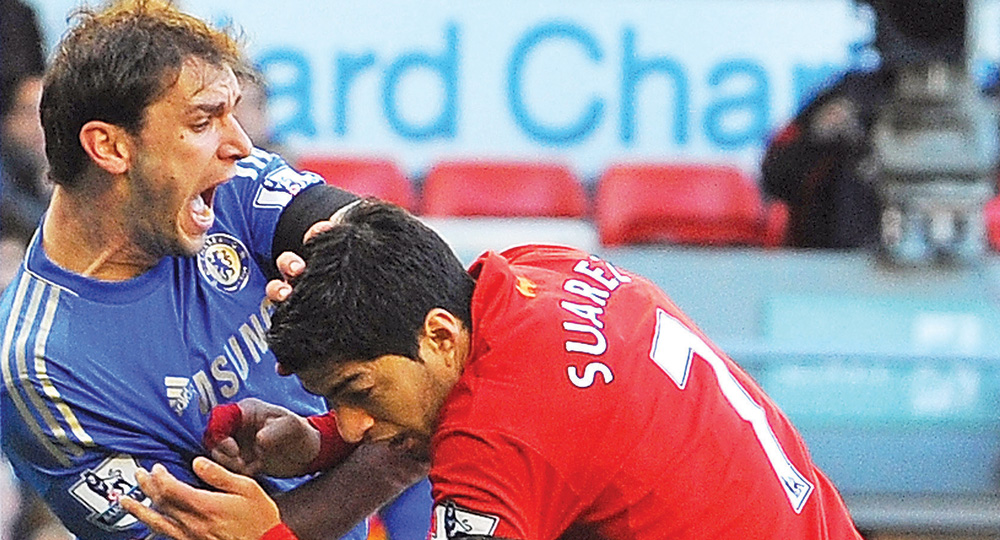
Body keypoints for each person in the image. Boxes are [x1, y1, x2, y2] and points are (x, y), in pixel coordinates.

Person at [122, 199, 863, 540]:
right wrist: (323, 441)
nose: (356, 421)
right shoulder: (534, 270)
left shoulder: (498, 444)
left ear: (439, 335)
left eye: (357, 391)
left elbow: (512, 433)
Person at [0, 2, 426, 540]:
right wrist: (394, 459)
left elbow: (381, 245)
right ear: (109, 146)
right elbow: (218, 536)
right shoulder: (41, 369)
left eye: (233, 113)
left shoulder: (229, 184)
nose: (241, 145)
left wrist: (320, 440)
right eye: (203, 121)